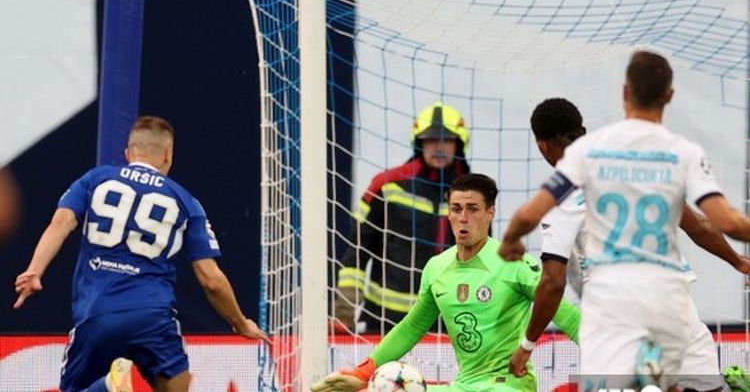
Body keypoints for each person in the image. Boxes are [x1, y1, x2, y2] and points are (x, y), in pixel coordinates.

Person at [500, 51, 750, 390]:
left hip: (614, 311)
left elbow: (553, 279)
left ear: (624, 93)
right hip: (671, 300)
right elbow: (708, 225)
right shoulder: (674, 154)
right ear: (670, 96)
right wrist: (739, 262)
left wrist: (512, 239)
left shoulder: (577, 168)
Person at [14, 116, 269, 392]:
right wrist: (239, 322)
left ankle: (107, 387)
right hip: (152, 316)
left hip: (97, 314)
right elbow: (211, 279)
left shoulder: (94, 180)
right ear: (168, 154)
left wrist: (35, 271)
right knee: (176, 387)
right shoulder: (186, 201)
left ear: (128, 153)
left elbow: (59, 226)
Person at [314, 173, 580, 392]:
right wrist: (364, 373)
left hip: (509, 386)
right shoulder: (437, 268)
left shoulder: (515, 264)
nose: (463, 218)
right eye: (456, 209)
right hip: (464, 386)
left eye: (473, 209)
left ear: (490, 213)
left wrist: (616, 365)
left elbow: (567, 317)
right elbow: (412, 326)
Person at [335, 101, 471, 333]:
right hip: (385, 321)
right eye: (431, 140)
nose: (439, 147)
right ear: (419, 143)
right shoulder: (387, 186)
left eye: (447, 140)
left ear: (459, 145)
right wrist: (344, 313)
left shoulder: (473, 194)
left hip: (449, 323)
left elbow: (482, 262)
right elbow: (357, 252)